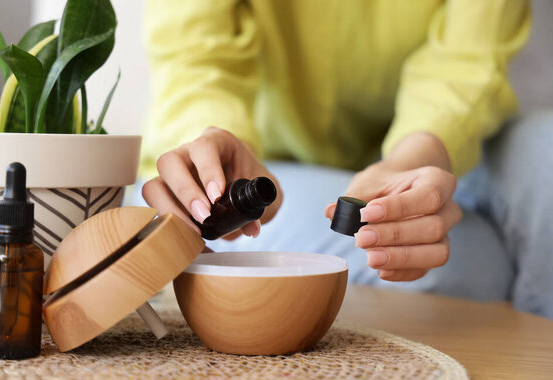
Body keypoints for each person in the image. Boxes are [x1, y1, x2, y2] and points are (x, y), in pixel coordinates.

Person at [139, 1, 553, 318]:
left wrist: (413, 157)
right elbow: (196, 54)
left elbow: (468, 60)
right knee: (472, 266)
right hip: (271, 157)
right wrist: (213, 146)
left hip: (438, 145)